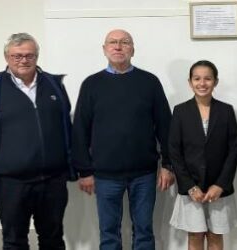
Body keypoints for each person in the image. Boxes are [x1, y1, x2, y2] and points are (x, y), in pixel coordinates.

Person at [0, 33, 76, 250]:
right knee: (14, 242)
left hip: (52, 181)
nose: (23, 60)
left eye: (29, 55)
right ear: (7, 57)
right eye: (17, 56)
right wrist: (6, 152)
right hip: (10, 184)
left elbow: (65, 125)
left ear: (36, 56)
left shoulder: (54, 85)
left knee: (53, 239)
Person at [71, 29, 174, 250]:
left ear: (133, 49)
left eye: (124, 42)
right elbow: (80, 130)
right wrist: (84, 171)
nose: (118, 47)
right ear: (104, 49)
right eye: (113, 42)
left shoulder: (149, 82)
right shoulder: (91, 84)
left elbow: (165, 127)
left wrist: (167, 165)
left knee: (144, 231)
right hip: (105, 174)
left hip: (144, 173)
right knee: (109, 233)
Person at [169, 60, 237, 250]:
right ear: (190, 82)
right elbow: (174, 151)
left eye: (208, 78)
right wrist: (190, 186)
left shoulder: (225, 111)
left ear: (215, 81)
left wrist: (220, 184)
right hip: (191, 186)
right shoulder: (180, 111)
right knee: (195, 234)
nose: (202, 83)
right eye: (197, 78)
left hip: (219, 187)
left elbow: (234, 149)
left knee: (216, 235)